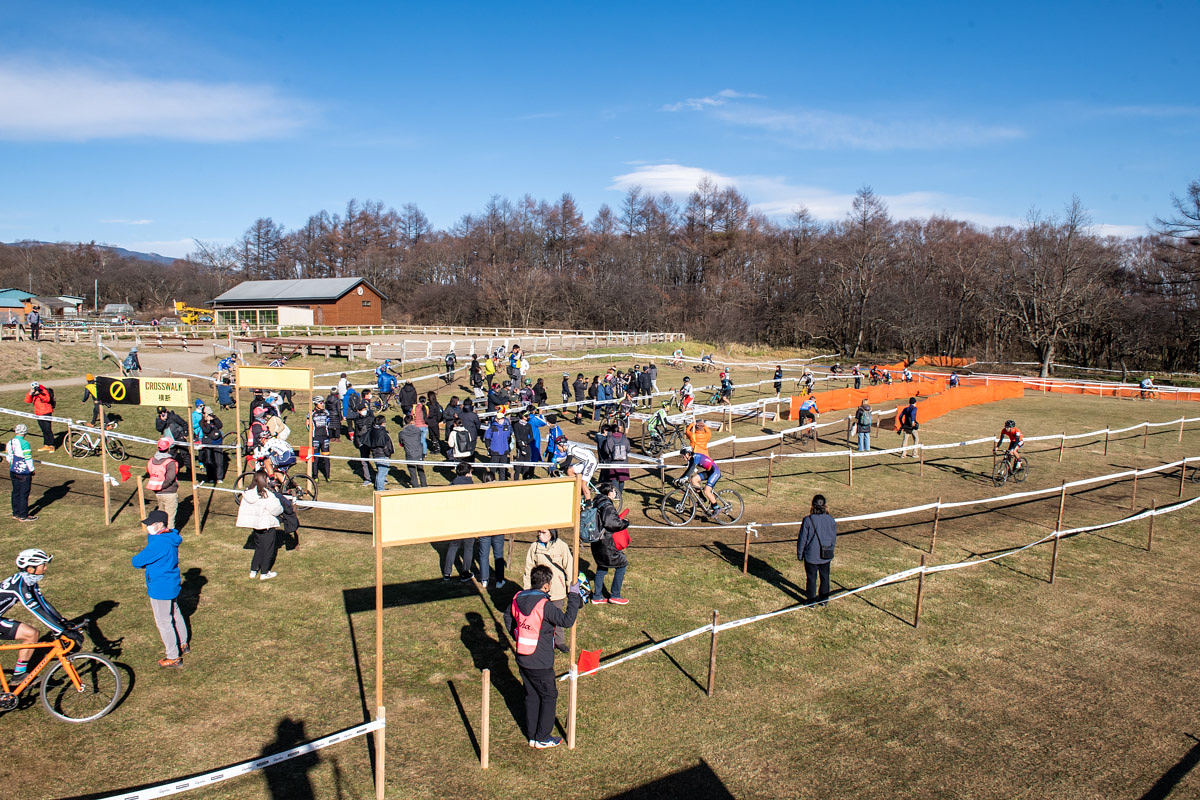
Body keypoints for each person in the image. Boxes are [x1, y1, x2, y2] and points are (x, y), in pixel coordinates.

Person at [504, 564, 583, 748]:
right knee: (549, 695)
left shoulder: (517, 598)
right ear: (546, 586)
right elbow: (566, 620)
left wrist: (516, 634)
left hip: (523, 657)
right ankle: (542, 737)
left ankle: (532, 735)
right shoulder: (544, 605)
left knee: (532, 695)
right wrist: (573, 596)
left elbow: (507, 616)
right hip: (540, 661)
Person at [0, 549, 75, 682]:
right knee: (30, 633)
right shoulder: (20, 586)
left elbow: (43, 604)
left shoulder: (28, 581)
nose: (45, 568)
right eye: (43, 565)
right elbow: (36, 611)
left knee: (32, 634)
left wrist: (61, 621)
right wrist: (60, 630)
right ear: (30, 568)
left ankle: (19, 675)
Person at [131, 509, 189, 667]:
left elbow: (136, 561)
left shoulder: (158, 543)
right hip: (172, 584)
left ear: (158, 525)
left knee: (164, 621)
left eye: (150, 524)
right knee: (175, 612)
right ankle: (183, 643)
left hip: (160, 587)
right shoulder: (170, 537)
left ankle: (173, 656)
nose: (147, 527)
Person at [236, 471, 284, 580]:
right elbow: (276, 510)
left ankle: (253, 570)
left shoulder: (248, 493)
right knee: (268, 550)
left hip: (256, 526)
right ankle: (265, 572)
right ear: (264, 479)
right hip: (267, 525)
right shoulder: (267, 494)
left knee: (259, 548)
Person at [590, 482, 630, 604]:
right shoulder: (607, 505)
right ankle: (615, 595)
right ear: (608, 493)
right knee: (622, 564)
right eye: (613, 491)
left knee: (602, 566)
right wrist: (625, 523)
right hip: (606, 542)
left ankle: (597, 596)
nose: (615, 493)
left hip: (596, 540)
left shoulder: (596, 502)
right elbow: (611, 523)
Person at [797, 494, 837, 605]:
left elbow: (802, 539)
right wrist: (831, 550)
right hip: (826, 555)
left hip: (811, 556)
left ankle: (811, 601)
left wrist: (800, 554)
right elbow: (833, 538)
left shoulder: (807, 520)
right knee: (825, 578)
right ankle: (824, 600)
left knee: (811, 579)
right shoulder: (831, 520)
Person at [442, 462, 477, 581]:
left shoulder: (452, 485)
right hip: (468, 521)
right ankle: (465, 572)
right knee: (468, 547)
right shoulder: (472, 486)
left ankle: (447, 572)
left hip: (455, 521)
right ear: (467, 474)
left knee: (453, 546)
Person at [147, 438, 180, 530]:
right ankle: (169, 537)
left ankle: (160, 533)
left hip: (157, 492)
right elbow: (170, 478)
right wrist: (163, 486)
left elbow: (151, 473)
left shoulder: (152, 460)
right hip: (169, 492)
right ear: (168, 448)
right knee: (170, 518)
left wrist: (159, 487)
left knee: (161, 518)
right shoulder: (170, 462)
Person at [678, 446, 722, 517]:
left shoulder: (696, 456)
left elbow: (692, 469)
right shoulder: (691, 459)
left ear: (688, 454)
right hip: (709, 472)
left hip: (715, 472)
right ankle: (702, 498)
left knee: (707, 491)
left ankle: (717, 508)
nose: (683, 457)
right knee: (694, 480)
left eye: (683, 455)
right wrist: (680, 478)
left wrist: (685, 478)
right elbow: (688, 470)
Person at [6, 424, 37, 521]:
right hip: (23, 472)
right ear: (25, 432)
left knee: (15, 492)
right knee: (24, 493)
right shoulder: (25, 443)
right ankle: (23, 515)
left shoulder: (10, 442)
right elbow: (28, 458)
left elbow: (8, 456)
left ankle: (15, 513)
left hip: (13, 470)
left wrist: (12, 465)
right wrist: (31, 469)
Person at [598, 423, 631, 505]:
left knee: (614, 479)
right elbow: (628, 449)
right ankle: (620, 493)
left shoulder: (610, 439)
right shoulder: (625, 438)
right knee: (622, 479)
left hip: (613, 461)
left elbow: (606, 450)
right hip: (624, 462)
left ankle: (616, 494)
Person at [24, 381, 56, 452]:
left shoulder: (43, 390)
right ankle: (46, 444)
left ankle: (52, 445)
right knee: (43, 430)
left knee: (48, 429)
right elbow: (27, 401)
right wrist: (30, 393)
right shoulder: (33, 392)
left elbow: (47, 399)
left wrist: (39, 394)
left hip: (46, 412)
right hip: (38, 414)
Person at [198, 406, 227, 483]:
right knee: (209, 460)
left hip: (217, 442)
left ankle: (219, 477)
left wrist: (214, 418)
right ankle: (211, 477)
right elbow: (206, 430)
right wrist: (207, 422)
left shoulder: (214, 420)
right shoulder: (201, 422)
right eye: (206, 414)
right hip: (208, 443)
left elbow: (220, 425)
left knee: (219, 461)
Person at [398, 413, 426, 488]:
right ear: (411, 422)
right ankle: (424, 485)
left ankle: (415, 486)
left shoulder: (402, 433)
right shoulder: (418, 430)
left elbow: (401, 443)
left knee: (412, 472)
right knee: (421, 470)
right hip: (419, 452)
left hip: (410, 453)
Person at [484, 410, 513, 482]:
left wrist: (507, 448)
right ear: (496, 419)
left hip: (504, 451)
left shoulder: (507, 428)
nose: (501, 420)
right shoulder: (492, 428)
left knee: (502, 469)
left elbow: (509, 438)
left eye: (502, 418)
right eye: (499, 419)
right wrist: (489, 448)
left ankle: (502, 482)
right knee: (493, 469)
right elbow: (487, 438)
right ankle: (491, 481)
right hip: (495, 451)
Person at [308, 397, 333, 482]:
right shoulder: (311, 413)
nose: (323, 404)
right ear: (316, 404)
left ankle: (328, 476)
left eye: (323, 403)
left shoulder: (326, 412)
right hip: (316, 438)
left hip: (325, 437)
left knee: (326, 458)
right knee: (316, 458)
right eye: (321, 403)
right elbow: (308, 426)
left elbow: (328, 423)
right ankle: (315, 476)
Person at [369, 415, 394, 491]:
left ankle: (378, 486)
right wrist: (388, 453)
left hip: (376, 454)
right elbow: (385, 445)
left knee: (380, 471)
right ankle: (380, 490)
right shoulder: (382, 432)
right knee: (382, 473)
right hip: (382, 455)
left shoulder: (373, 430)